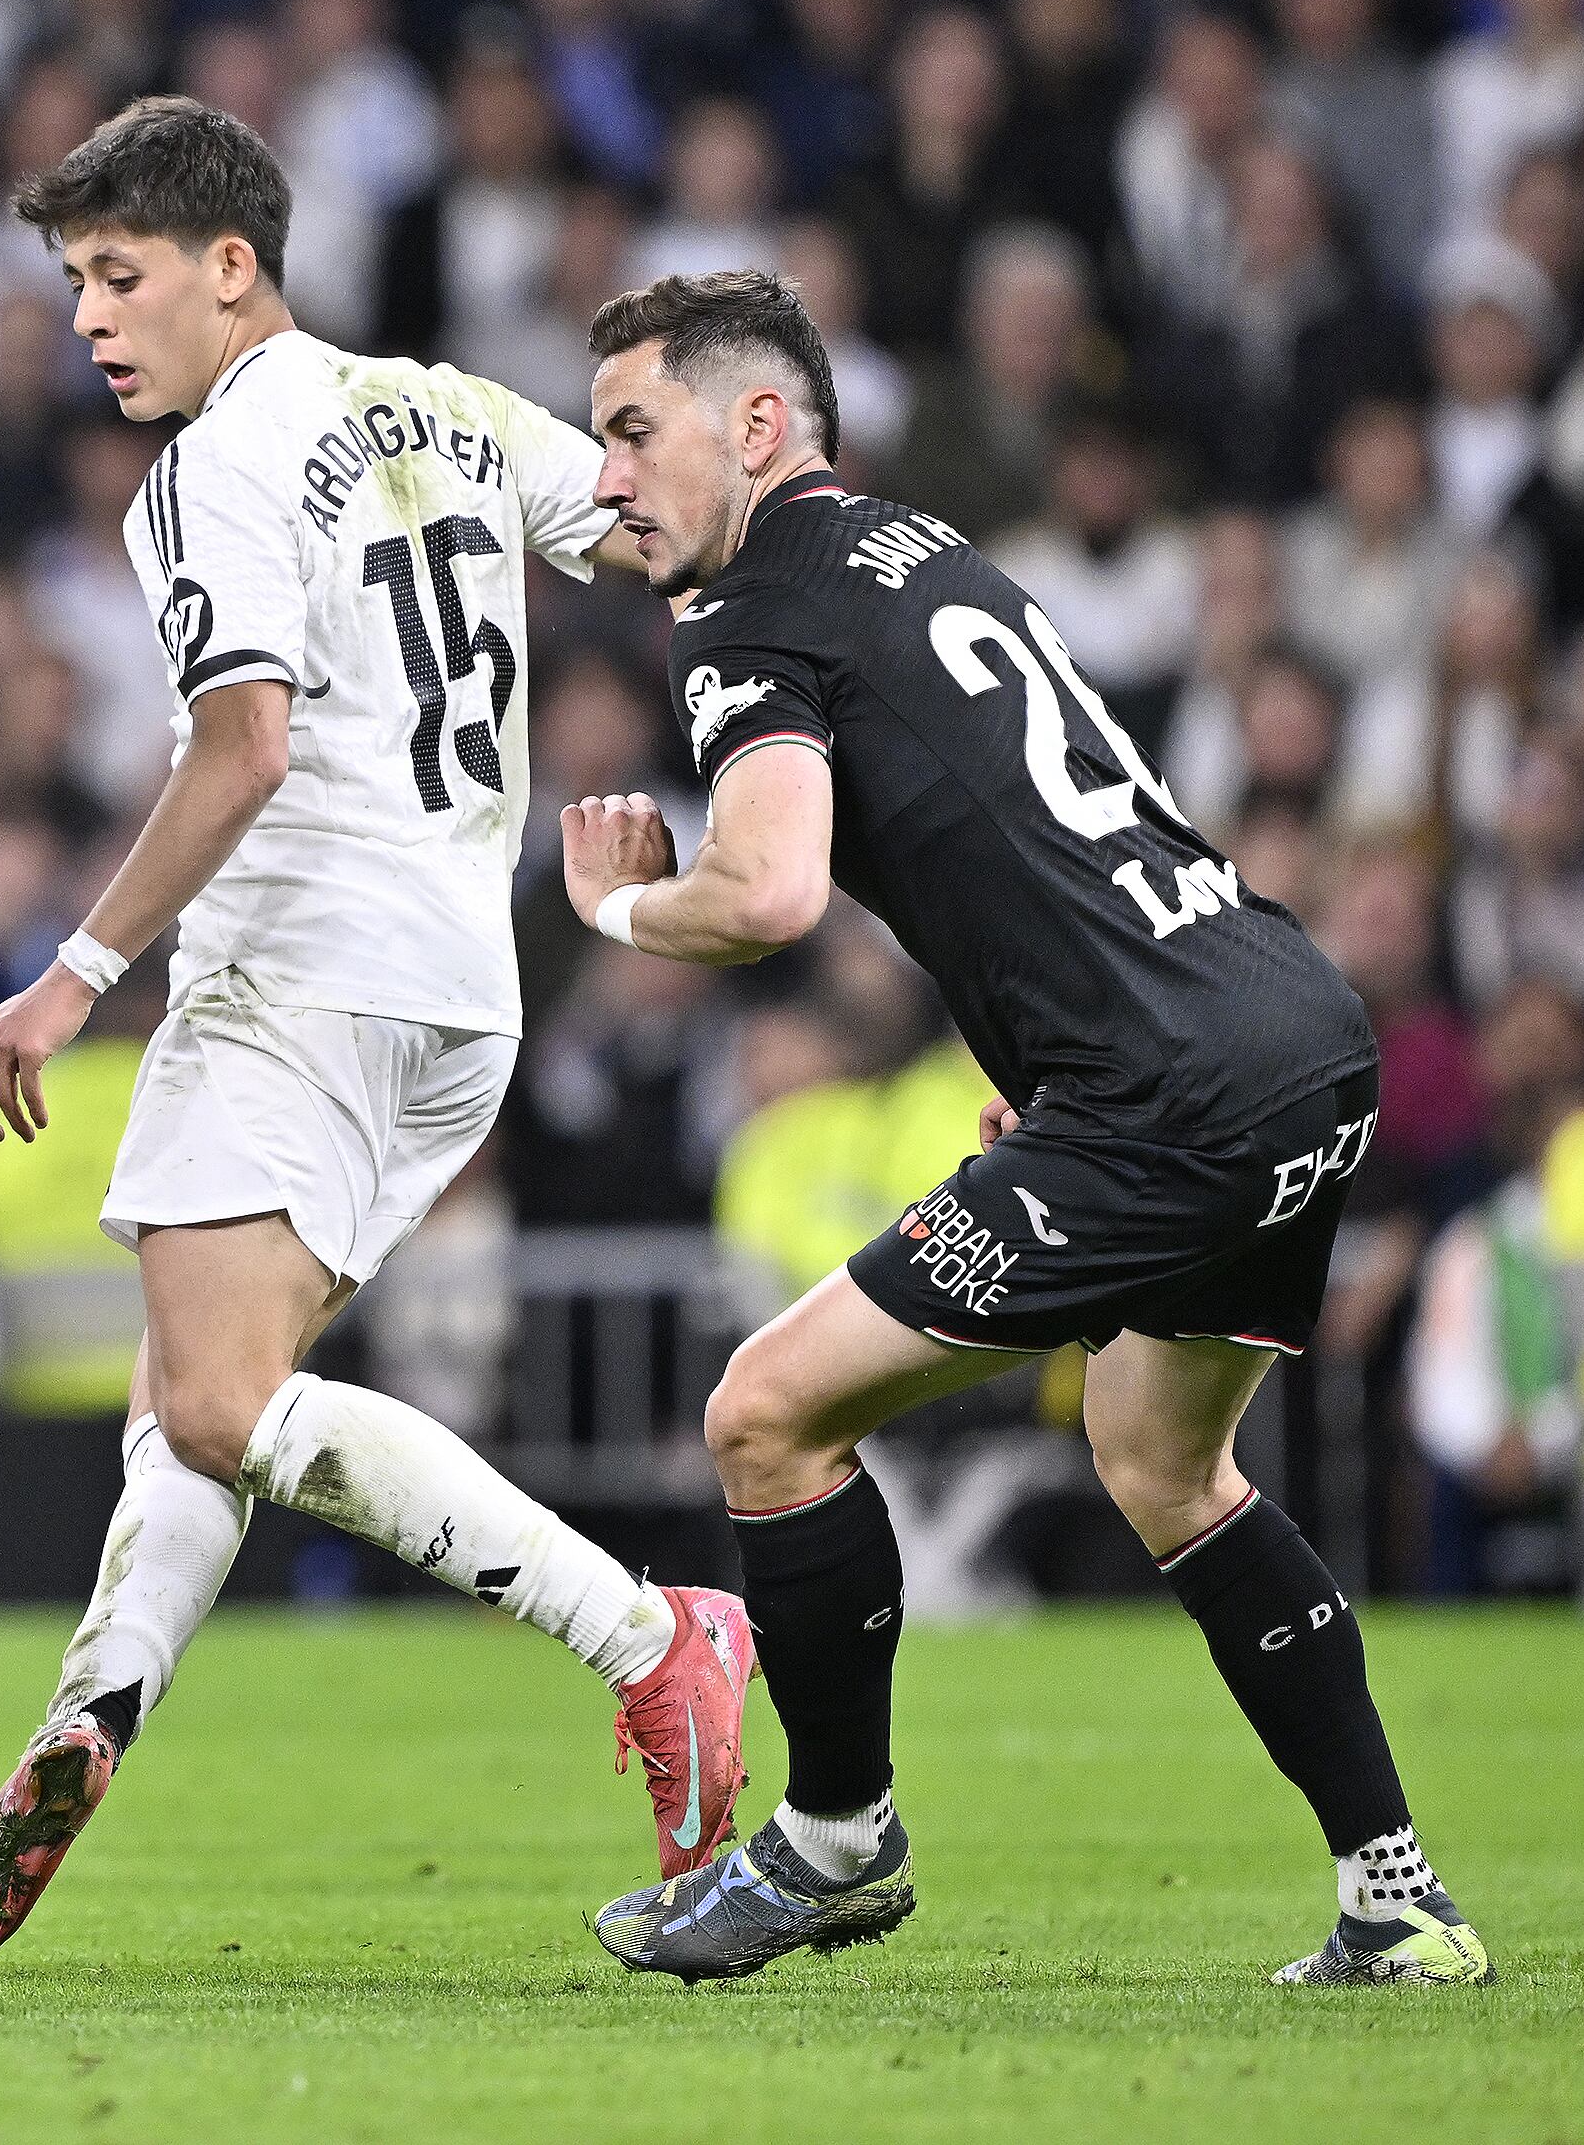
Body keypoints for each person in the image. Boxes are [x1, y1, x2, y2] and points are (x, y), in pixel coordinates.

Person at [0, 98, 758, 1981]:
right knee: (200, 1392)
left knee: (211, 1400)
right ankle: (92, 1714)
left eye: (120, 280)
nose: (93, 323)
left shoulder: (206, 472)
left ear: (230, 266)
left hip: (299, 969)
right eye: (72, 286)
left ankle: (652, 1636)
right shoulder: (446, 403)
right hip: (461, 990)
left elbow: (248, 745)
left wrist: (74, 969)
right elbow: (652, 532)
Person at [566, 269, 1490, 1989]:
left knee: (762, 1414)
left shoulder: (751, 610)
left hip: (1168, 1089)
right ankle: (1398, 1897)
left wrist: (617, 911)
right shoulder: (926, 549)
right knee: (1159, 1457)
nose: (607, 477)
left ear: (757, 428)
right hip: (1289, 1027)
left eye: (633, 432)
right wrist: (1075, 1051)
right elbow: (1032, 829)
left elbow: (768, 892)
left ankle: (837, 1840)